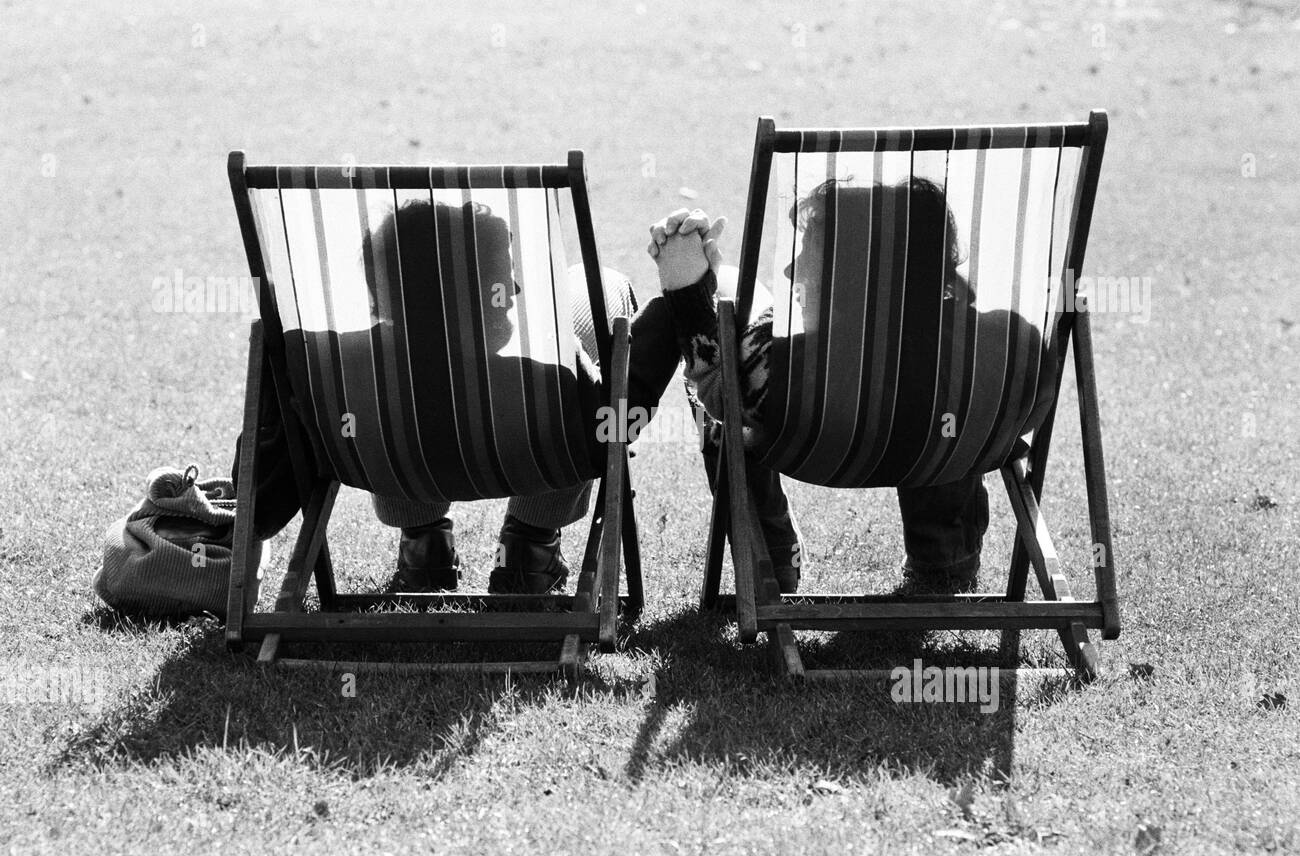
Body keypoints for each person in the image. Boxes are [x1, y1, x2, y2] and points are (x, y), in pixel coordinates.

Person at [236, 198, 684, 594]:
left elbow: (258, 493)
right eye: (499, 276)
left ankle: (423, 543)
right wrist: (680, 296)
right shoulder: (552, 386)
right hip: (538, 452)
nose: (515, 289)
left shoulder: (327, 373)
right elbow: (619, 417)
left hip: (395, 459)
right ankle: (531, 547)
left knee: (403, 388)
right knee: (602, 289)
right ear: (468, 295)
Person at [647, 176, 1033, 595]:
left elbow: (723, 395)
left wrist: (688, 281)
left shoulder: (785, 374)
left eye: (809, 253)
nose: (792, 269)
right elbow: (1019, 417)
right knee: (948, 400)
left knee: (734, 363)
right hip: (944, 403)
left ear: (848, 273)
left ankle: (771, 565)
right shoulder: (1003, 350)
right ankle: (943, 564)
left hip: (820, 432)